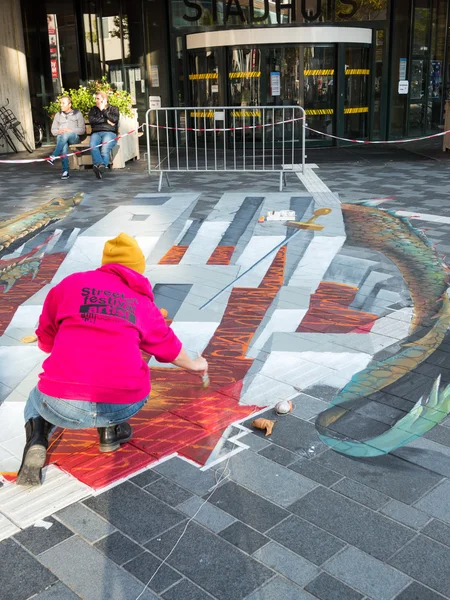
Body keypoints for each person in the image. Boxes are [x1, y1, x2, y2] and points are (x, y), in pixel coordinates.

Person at [17, 233, 208, 486]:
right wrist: (198, 364)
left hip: (61, 406)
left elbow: (46, 338)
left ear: (106, 263)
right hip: (123, 403)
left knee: (36, 394)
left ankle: (38, 438)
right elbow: (168, 348)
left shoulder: (69, 285)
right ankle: (110, 432)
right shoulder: (142, 302)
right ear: (138, 270)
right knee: (125, 364)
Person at [49, 96, 85, 180]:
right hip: (62, 138)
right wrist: (59, 131)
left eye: (63, 103)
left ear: (70, 105)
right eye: (60, 103)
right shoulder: (58, 115)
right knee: (63, 143)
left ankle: (54, 155)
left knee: (65, 135)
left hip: (74, 138)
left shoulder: (77, 113)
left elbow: (82, 130)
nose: (61, 105)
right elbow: (53, 130)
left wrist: (70, 130)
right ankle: (65, 172)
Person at [88, 91, 120, 180]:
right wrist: (106, 121)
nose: (96, 101)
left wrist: (103, 110)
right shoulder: (93, 109)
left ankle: (99, 167)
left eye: (98, 99)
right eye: (95, 99)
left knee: (105, 148)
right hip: (96, 132)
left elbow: (114, 119)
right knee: (92, 146)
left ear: (104, 100)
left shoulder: (113, 109)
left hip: (109, 132)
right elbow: (92, 120)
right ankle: (101, 166)